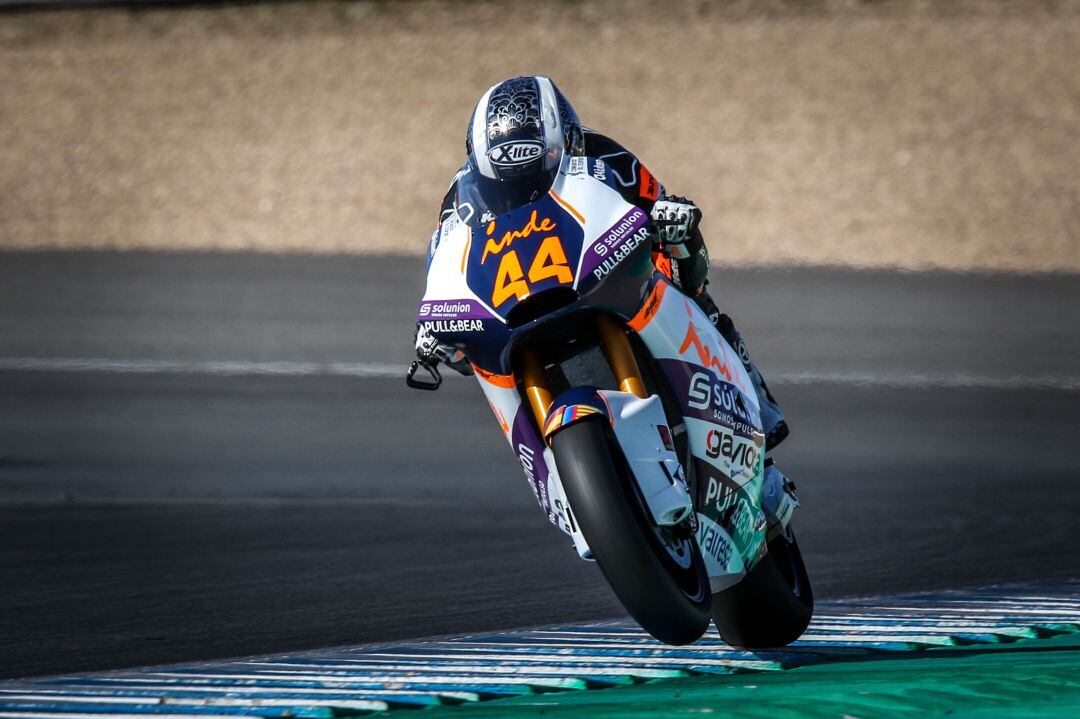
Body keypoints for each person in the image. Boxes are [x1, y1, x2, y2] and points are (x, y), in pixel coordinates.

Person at [414, 75, 789, 452]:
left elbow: (656, 204)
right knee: (469, 357)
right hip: (516, 298)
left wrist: (674, 222)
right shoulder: (459, 198)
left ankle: (758, 410)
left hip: (603, 272)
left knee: (696, 295)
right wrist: (430, 330)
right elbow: (445, 261)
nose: (519, 189)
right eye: (507, 183)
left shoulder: (604, 154)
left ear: (565, 140)